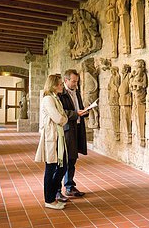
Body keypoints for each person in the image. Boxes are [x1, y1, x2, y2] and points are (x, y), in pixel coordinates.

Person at [35, 74, 68, 210]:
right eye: (60, 84)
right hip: (51, 138)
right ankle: (49, 199)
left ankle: (52, 195)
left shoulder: (56, 98)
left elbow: (62, 116)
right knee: (51, 169)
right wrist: (63, 118)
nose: (61, 86)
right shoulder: (48, 99)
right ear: (53, 85)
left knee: (62, 167)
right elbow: (59, 118)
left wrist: (63, 118)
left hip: (58, 137)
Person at [56, 69, 88, 201]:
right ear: (66, 80)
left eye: (77, 81)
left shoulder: (77, 92)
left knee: (72, 159)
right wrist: (76, 114)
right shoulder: (60, 94)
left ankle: (69, 186)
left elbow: (78, 108)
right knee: (63, 160)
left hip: (78, 128)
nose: (76, 83)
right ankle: (57, 190)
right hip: (67, 129)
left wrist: (85, 111)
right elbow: (61, 112)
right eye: (74, 81)